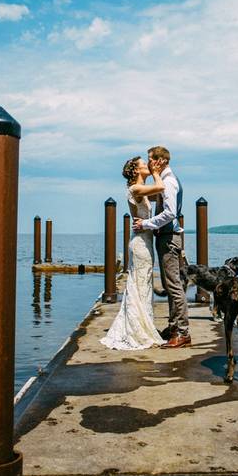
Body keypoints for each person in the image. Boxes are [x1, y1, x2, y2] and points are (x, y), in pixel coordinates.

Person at [100, 156, 167, 350]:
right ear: (137, 171)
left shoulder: (142, 191)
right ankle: (138, 331)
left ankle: (144, 327)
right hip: (140, 245)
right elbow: (161, 188)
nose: (148, 166)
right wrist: (156, 173)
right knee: (140, 285)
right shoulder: (135, 189)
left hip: (145, 241)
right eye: (144, 165)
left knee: (143, 284)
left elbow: (162, 193)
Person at [133, 146, 190, 348]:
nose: (148, 163)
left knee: (174, 286)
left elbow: (170, 213)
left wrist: (145, 224)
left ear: (161, 161)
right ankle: (174, 327)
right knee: (170, 285)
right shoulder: (163, 180)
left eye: (150, 159)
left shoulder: (169, 182)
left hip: (169, 238)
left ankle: (183, 333)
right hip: (165, 237)